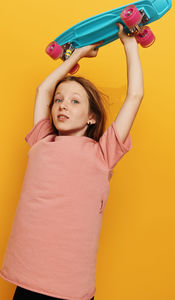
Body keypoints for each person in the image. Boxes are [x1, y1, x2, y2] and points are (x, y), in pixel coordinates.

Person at [0, 23, 144, 300]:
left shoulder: (103, 152)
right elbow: (43, 89)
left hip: (70, 285)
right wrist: (76, 55)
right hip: (28, 277)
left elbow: (135, 96)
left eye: (75, 101)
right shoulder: (43, 140)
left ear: (92, 117)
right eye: (59, 100)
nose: (63, 105)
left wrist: (129, 44)